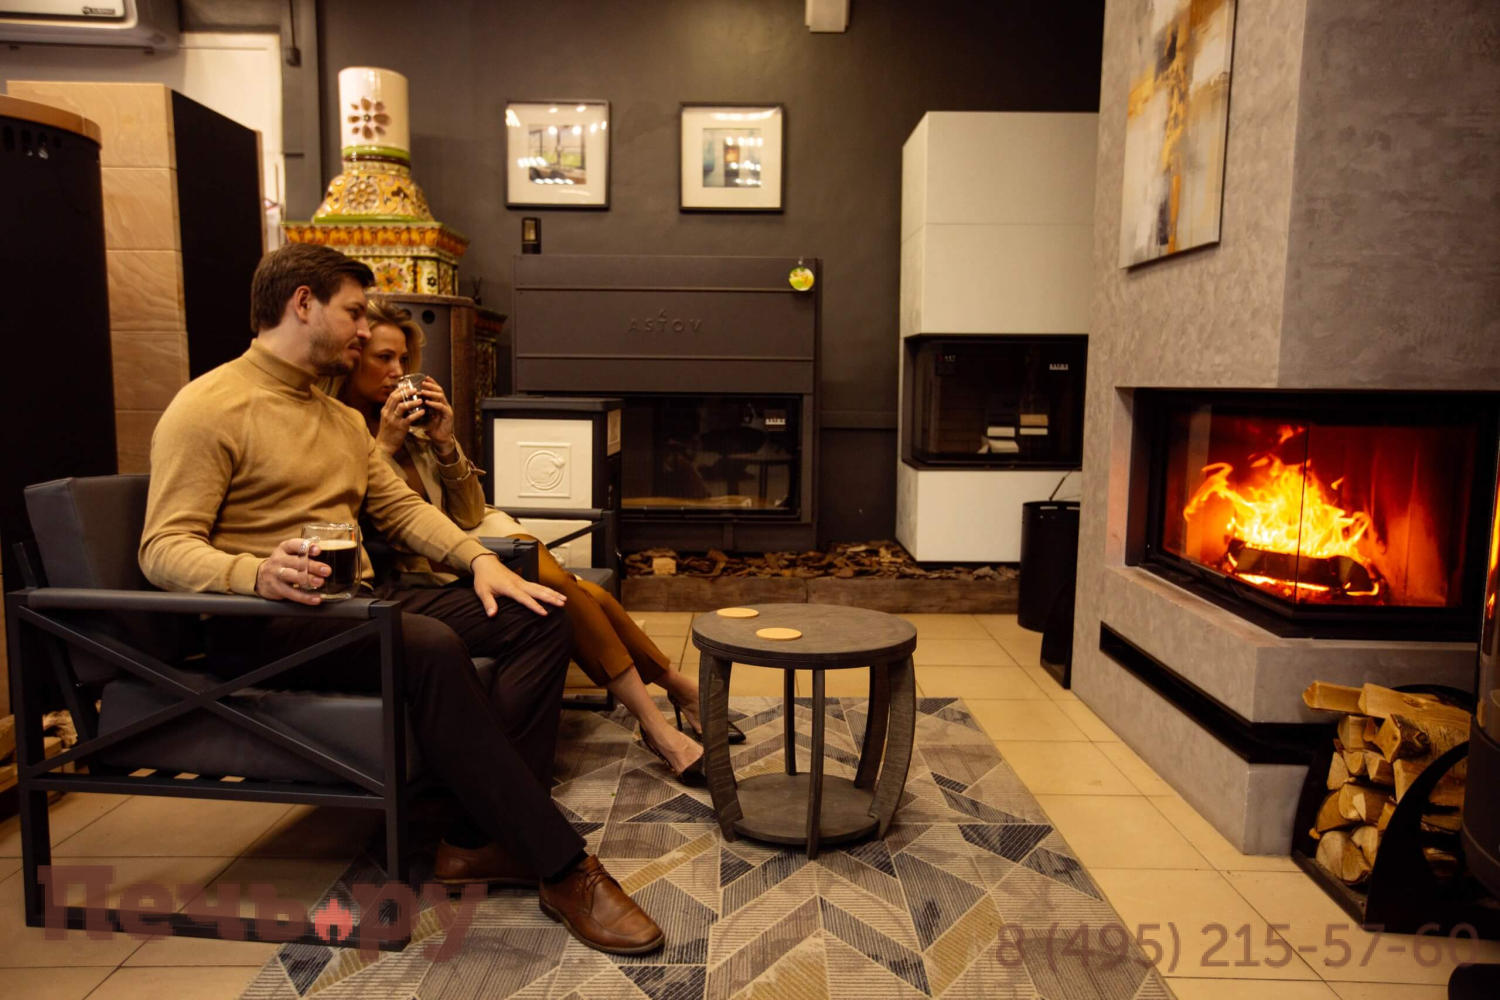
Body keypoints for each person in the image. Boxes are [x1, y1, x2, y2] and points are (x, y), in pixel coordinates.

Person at [138, 243, 662, 956]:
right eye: (354, 312)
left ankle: (477, 840)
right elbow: (162, 548)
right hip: (264, 622)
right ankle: (563, 866)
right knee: (427, 644)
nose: (363, 330)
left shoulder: (337, 420)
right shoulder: (207, 407)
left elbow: (405, 511)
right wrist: (253, 574)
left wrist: (482, 562)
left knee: (541, 612)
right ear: (302, 304)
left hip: (354, 605)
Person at [322, 299, 746, 783]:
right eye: (383, 358)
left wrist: (443, 441)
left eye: (403, 359)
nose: (398, 372)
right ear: (352, 359)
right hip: (424, 574)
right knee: (571, 592)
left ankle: (667, 706)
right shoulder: (339, 432)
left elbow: (469, 513)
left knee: (578, 592)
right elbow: (349, 520)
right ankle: (669, 704)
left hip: (475, 548)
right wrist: (384, 447)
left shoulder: (416, 428)